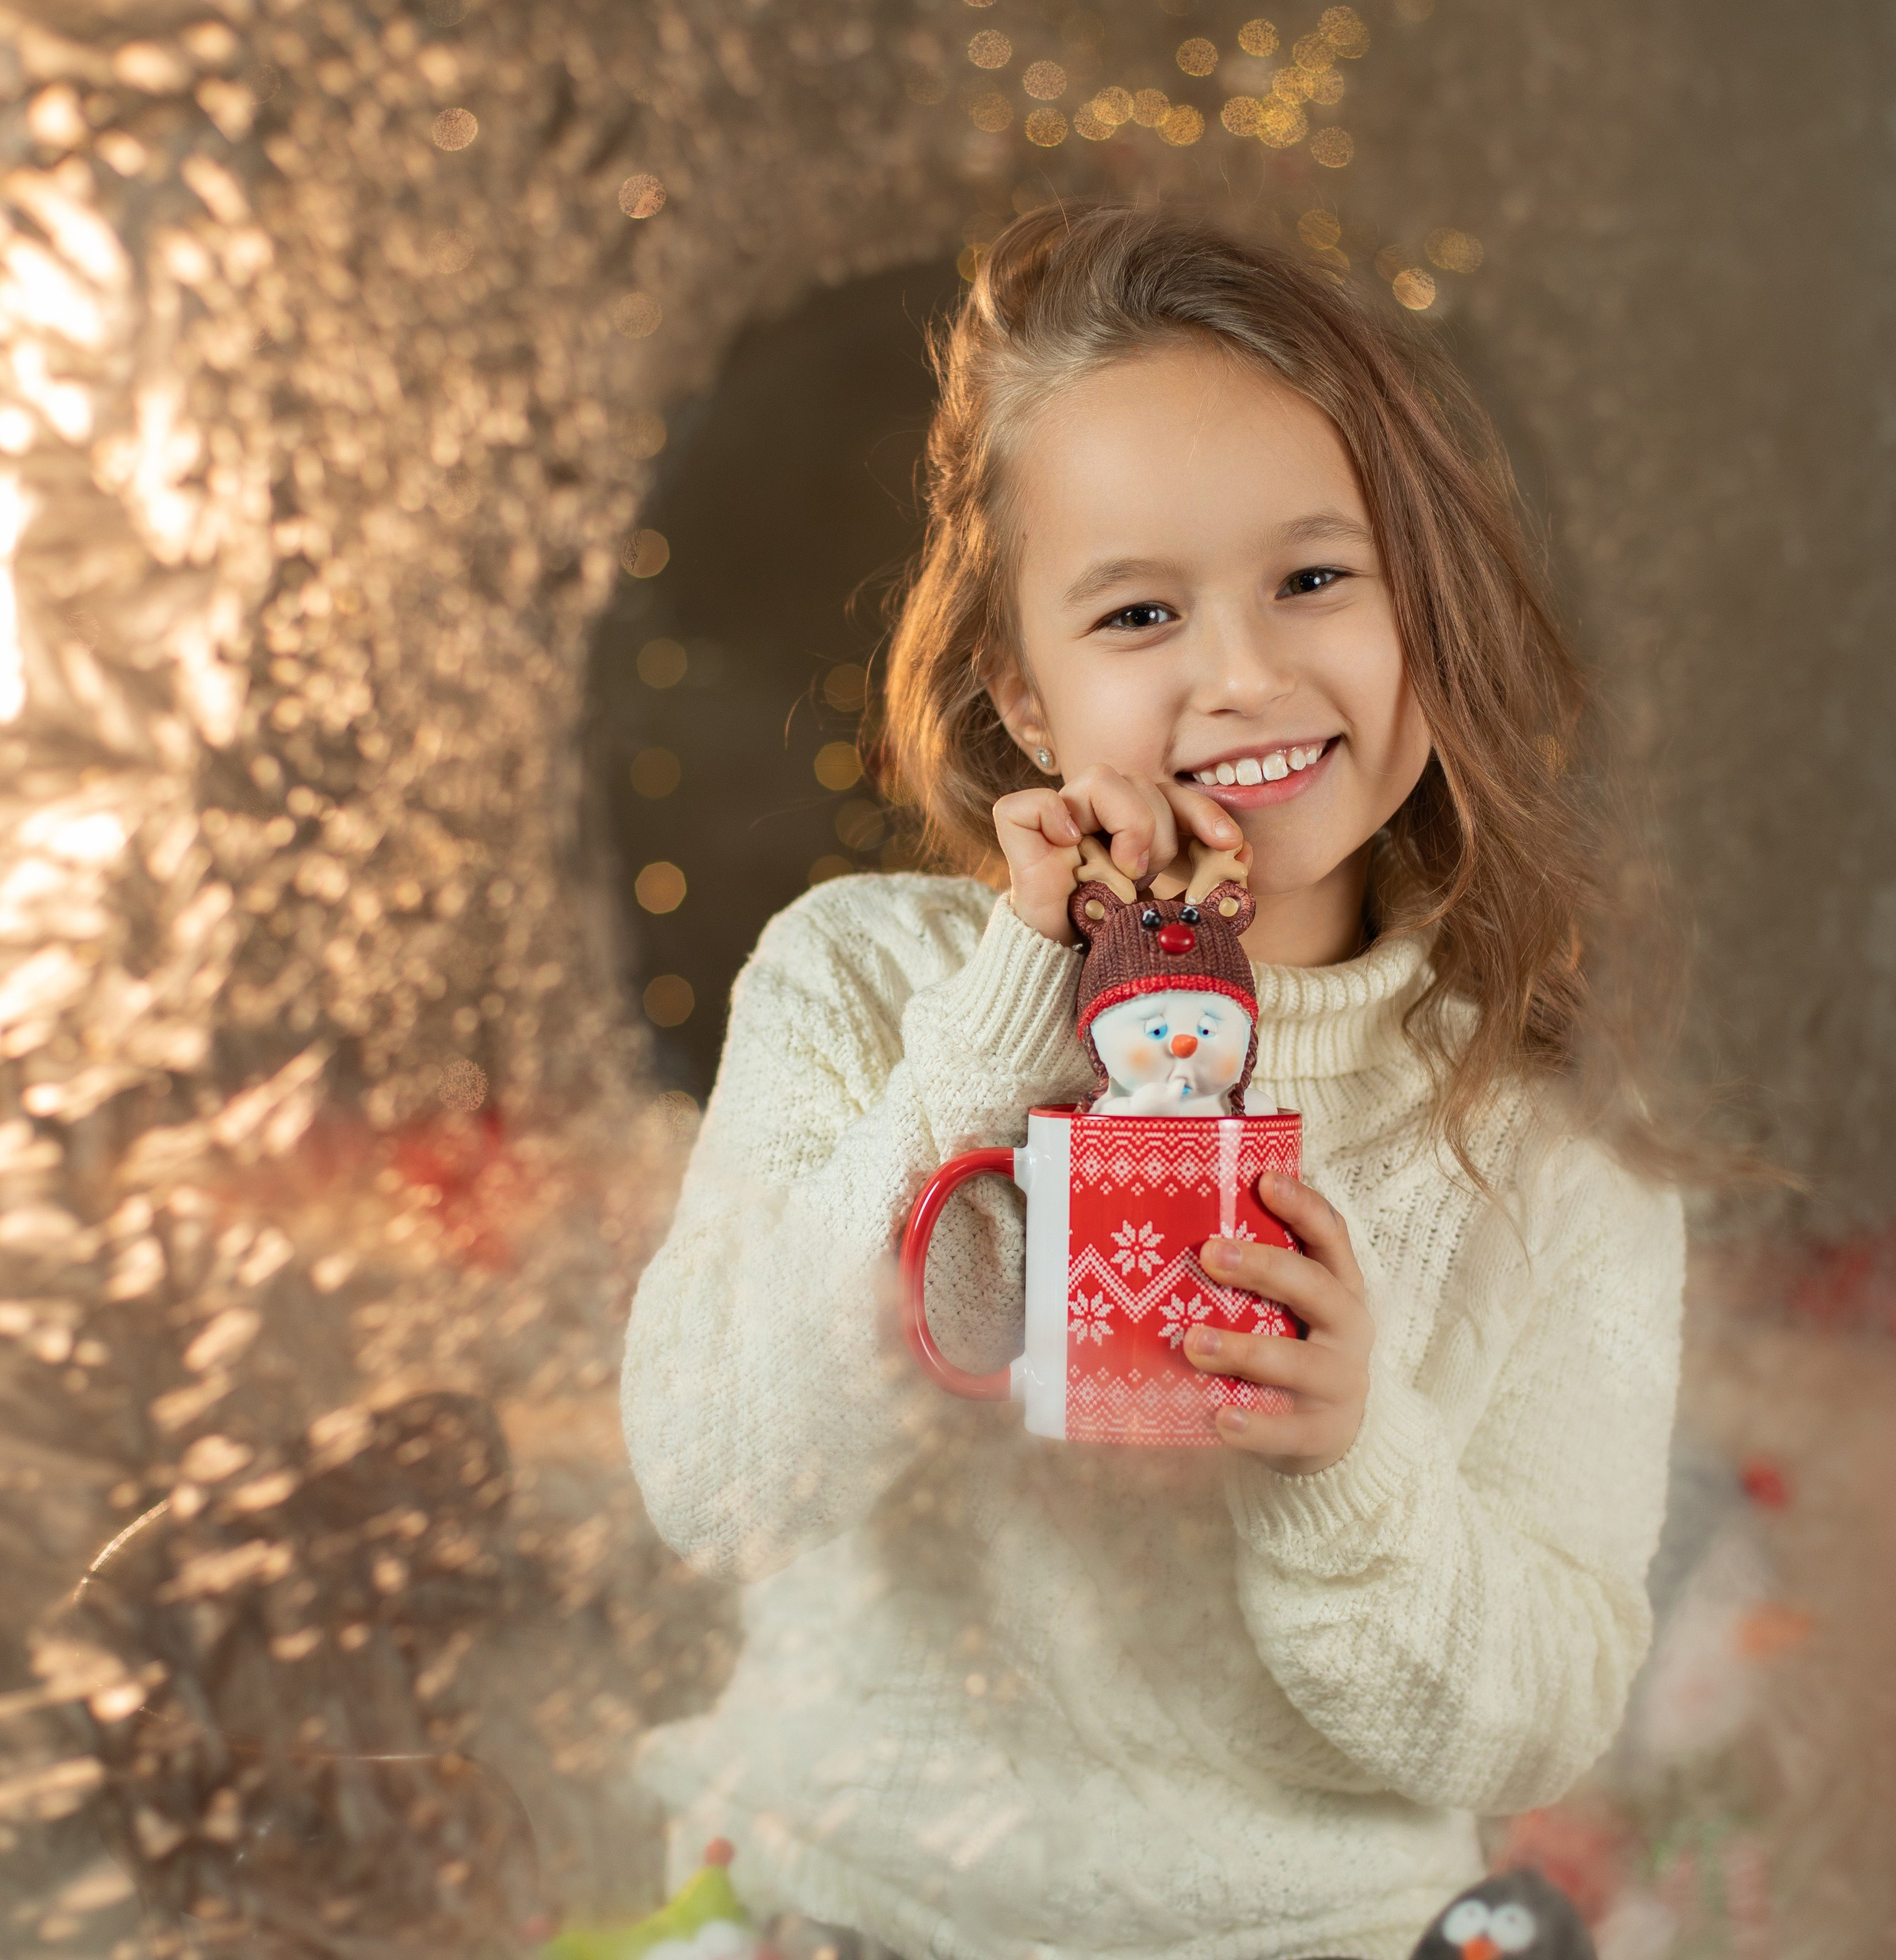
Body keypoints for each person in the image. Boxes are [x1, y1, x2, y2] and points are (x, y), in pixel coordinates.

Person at [618, 204, 1684, 1960]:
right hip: (856, 1902)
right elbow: (719, 1487)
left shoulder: (1545, 1143)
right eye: (1134, 609)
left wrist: (1349, 1458)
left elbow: (1541, 1715)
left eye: (1315, 577)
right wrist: (998, 1030)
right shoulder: (864, 985)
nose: (1242, 673)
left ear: (1428, 604)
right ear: (1022, 700)